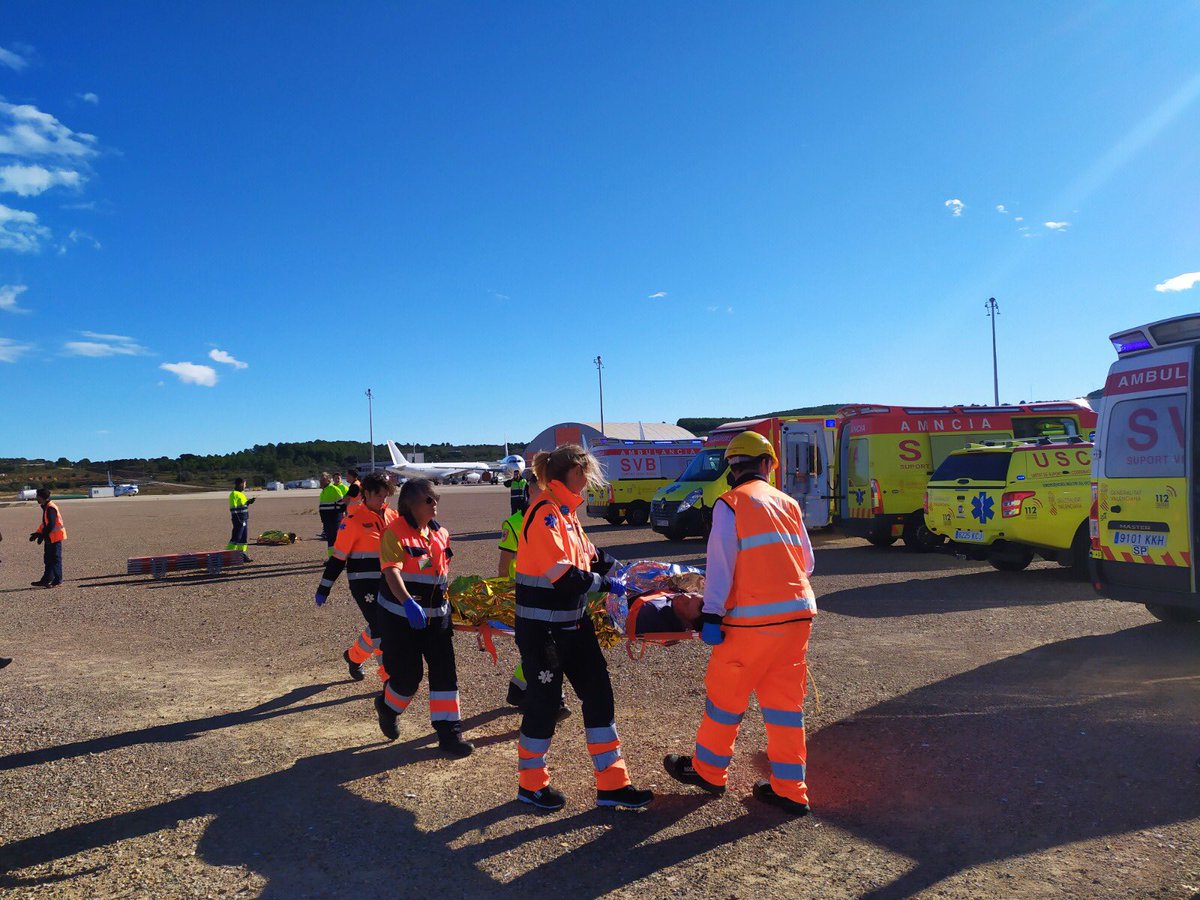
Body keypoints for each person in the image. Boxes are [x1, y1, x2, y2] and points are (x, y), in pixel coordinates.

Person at [662, 430, 817, 816]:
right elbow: (808, 564)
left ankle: (709, 772)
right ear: (767, 465)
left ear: (733, 468)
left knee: (725, 701)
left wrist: (711, 614)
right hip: (797, 619)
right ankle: (791, 789)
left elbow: (721, 566)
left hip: (749, 625)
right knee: (785, 708)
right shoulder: (789, 504)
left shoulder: (730, 504)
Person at [513, 445, 652, 811]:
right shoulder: (543, 514)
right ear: (567, 475)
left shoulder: (566, 514)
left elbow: (593, 557)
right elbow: (564, 576)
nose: (588, 480)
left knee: (599, 694)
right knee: (544, 705)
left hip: (573, 626)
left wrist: (629, 572)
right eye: (583, 473)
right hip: (544, 632)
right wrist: (608, 585)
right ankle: (530, 784)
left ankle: (613, 784)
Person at [373, 477, 473, 757]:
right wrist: (407, 602)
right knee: (407, 677)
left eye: (437, 499)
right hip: (399, 618)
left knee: (445, 674)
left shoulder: (440, 533)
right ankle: (387, 706)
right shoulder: (393, 533)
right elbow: (392, 571)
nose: (435, 504)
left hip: (436, 617)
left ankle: (449, 735)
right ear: (411, 504)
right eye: (429, 500)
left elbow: (433, 566)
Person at [314, 472, 397, 681]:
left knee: (383, 623)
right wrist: (324, 587)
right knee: (380, 626)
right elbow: (338, 558)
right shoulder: (352, 521)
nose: (383, 501)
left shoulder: (392, 516)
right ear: (366, 493)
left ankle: (353, 657)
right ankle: (388, 677)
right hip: (363, 583)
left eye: (386, 496)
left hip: (389, 580)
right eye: (379, 496)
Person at [29, 488, 66, 588]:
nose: (36, 498)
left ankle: (57, 580)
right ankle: (46, 580)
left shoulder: (50, 508)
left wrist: (42, 535)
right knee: (48, 559)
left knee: (54, 559)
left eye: (37, 496)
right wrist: (37, 533)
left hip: (54, 537)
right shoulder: (46, 507)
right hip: (50, 537)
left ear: (42, 497)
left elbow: (51, 525)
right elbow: (45, 524)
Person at [226, 478, 255, 559]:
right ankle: (228, 555)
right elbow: (233, 508)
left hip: (244, 519)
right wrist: (238, 520)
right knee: (236, 537)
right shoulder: (234, 494)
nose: (245, 486)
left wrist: (248, 502)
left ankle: (242, 555)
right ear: (241, 484)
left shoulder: (241, 494)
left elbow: (243, 505)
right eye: (245, 484)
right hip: (239, 519)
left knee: (243, 538)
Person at [317, 473, 342, 556]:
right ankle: (331, 557)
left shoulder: (334, 489)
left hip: (334, 520)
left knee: (335, 539)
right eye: (320, 480)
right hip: (326, 521)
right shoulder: (323, 491)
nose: (321, 482)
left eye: (323, 480)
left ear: (328, 480)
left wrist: (337, 517)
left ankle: (338, 558)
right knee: (330, 540)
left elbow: (342, 504)